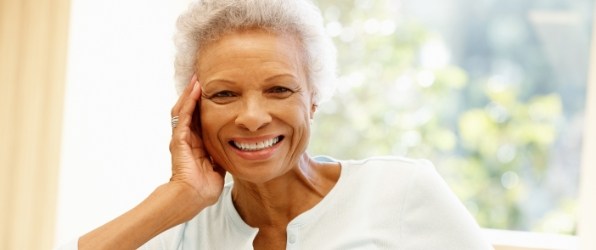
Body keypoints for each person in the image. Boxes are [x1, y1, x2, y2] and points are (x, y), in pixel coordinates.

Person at [62, 0, 493, 249]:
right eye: (224, 94)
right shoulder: (188, 225)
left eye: (280, 90)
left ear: (313, 100)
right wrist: (179, 193)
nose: (251, 117)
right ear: (192, 111)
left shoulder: (400, 191)